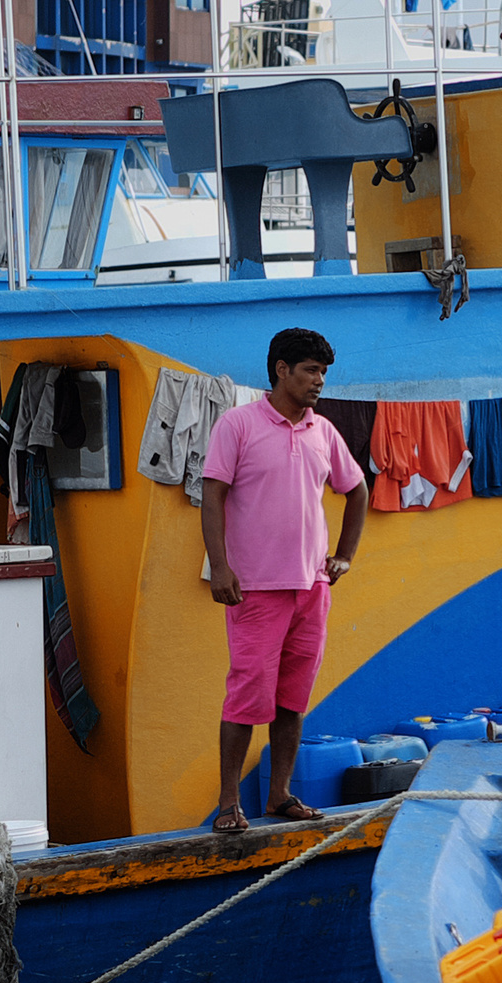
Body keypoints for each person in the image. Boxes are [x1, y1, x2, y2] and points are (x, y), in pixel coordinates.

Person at [201, 326, 369, 833]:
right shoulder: (238, 424)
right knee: (245, 696)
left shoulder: (324, 431)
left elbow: (357, 490)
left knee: (293, 698)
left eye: (324, 372)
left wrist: (344, 556)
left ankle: (279, 795)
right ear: (282, 370)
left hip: (312, 587)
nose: (320, 381)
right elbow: (212, 497)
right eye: (311, 370)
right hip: (253, 589)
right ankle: (229, 803)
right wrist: (220, 567)